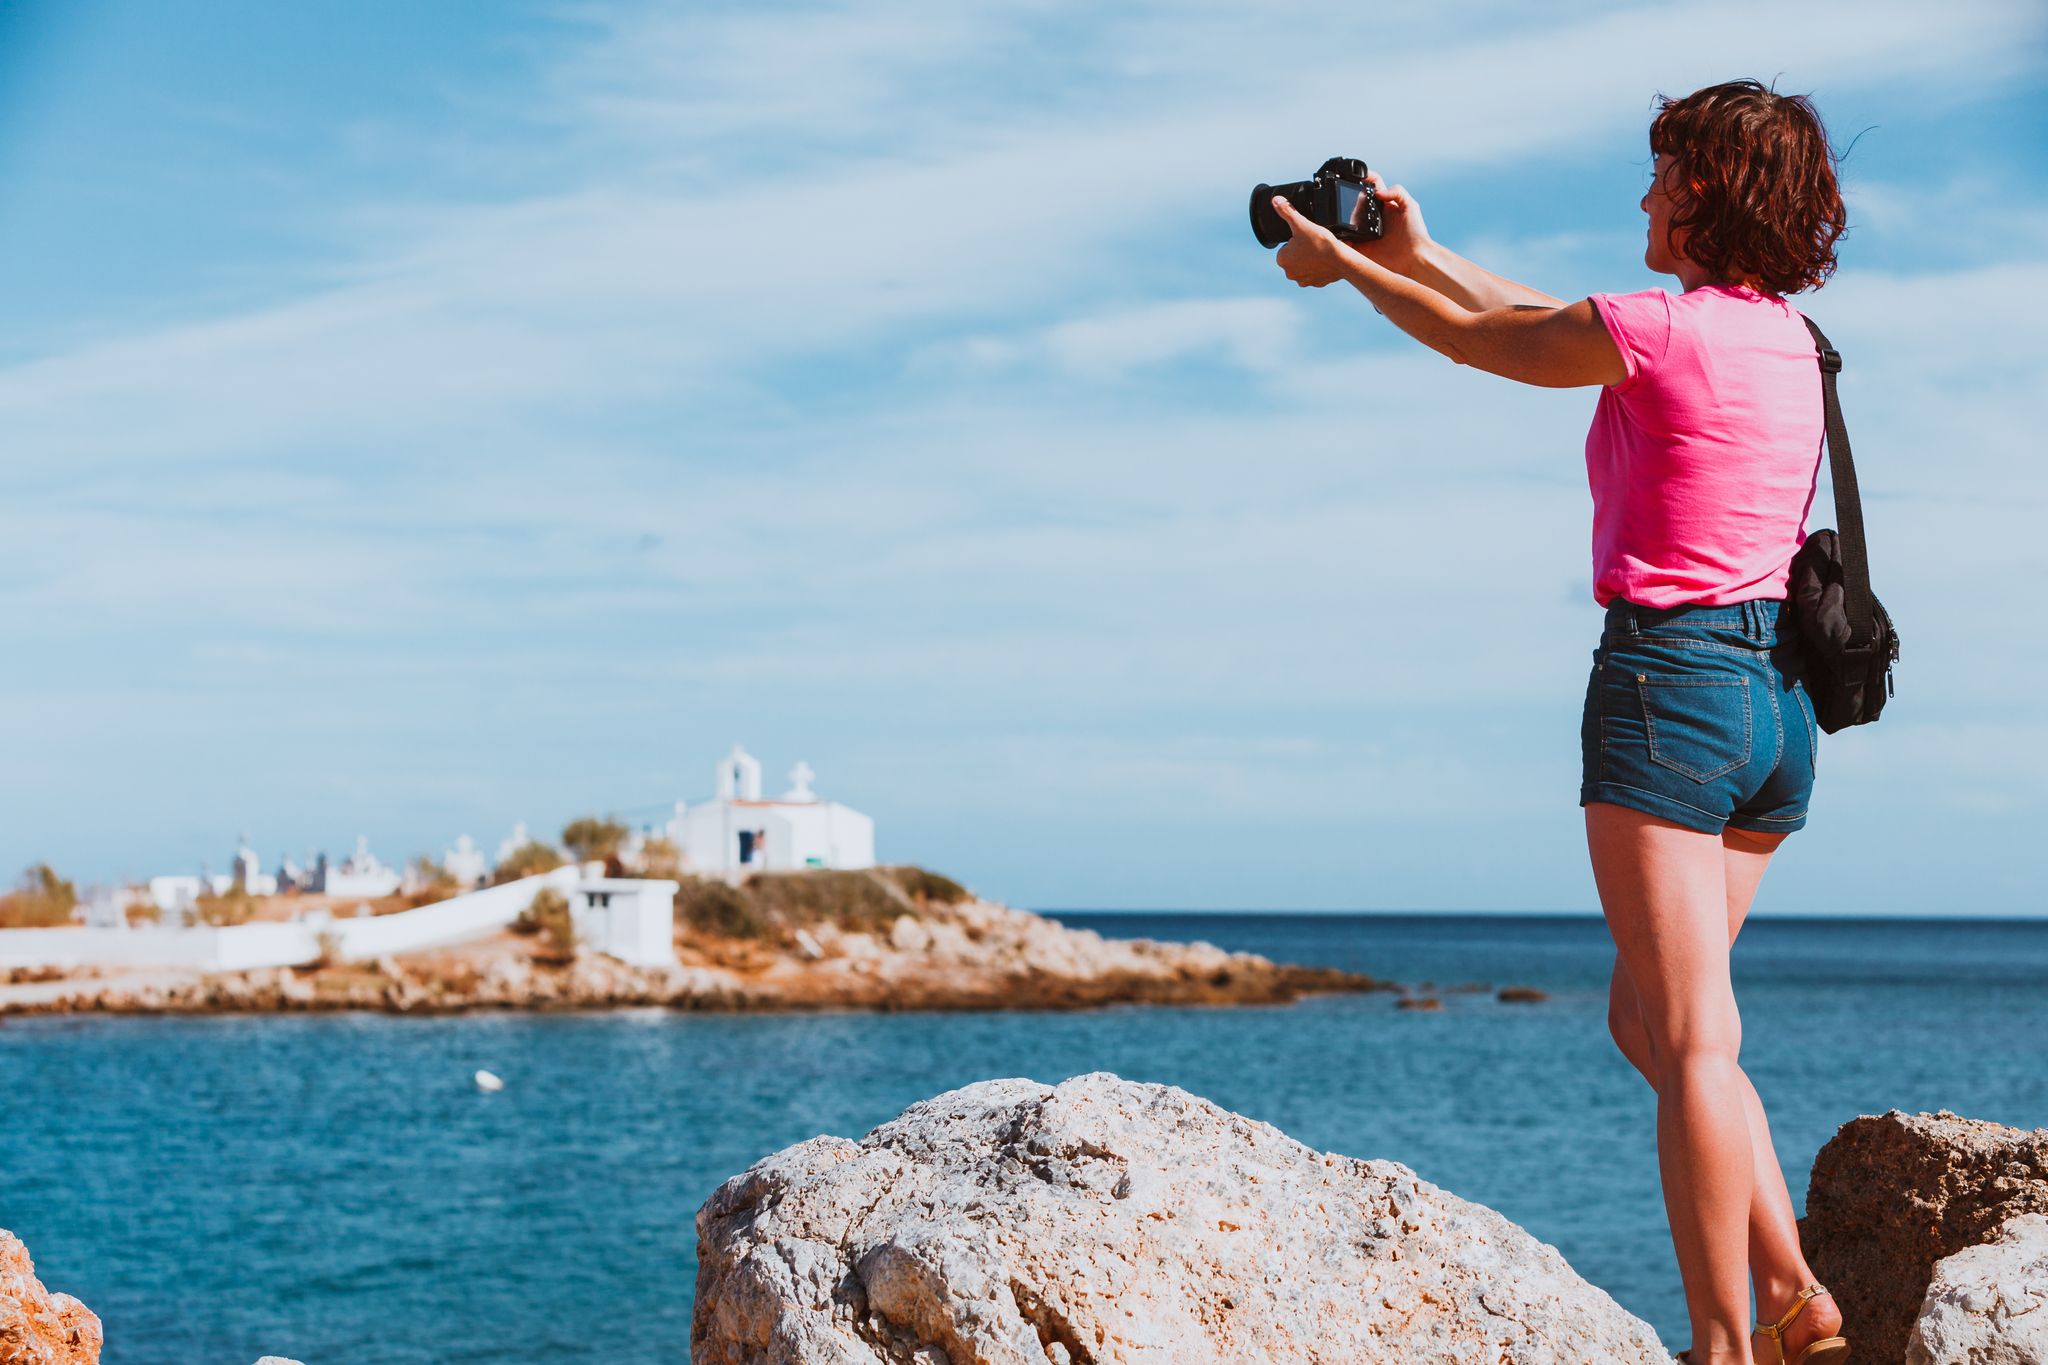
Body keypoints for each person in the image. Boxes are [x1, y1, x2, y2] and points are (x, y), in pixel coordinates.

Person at [1269, 79, 1852, 1365]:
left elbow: (1497, 346)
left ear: (1700, 189)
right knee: (1651, 1023)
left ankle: (1721, 1345)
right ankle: (1796, 1295)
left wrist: (1345, 273)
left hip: (1670, 688)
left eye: (1656, 175)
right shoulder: (1787, 341)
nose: (1640, 195)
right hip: (1776, 712)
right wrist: (1411, 252)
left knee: (1691, 1039)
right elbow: (1538, 316)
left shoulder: (1658, 329)